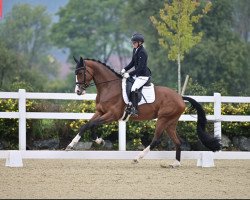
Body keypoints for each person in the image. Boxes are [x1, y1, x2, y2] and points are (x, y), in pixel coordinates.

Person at [121, 33, 151, 116]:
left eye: (134, 43)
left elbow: (140, 68)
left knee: (134, 89)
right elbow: (133, 63)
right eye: (132, 43)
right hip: (137, 74)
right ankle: (129, 105)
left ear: (140, 43)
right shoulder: (135, 50)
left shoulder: (142, 52)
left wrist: (129, 74)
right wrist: (125, 69)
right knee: (127, 84)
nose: (132, 44)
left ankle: (135, 109)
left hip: (143, 76)